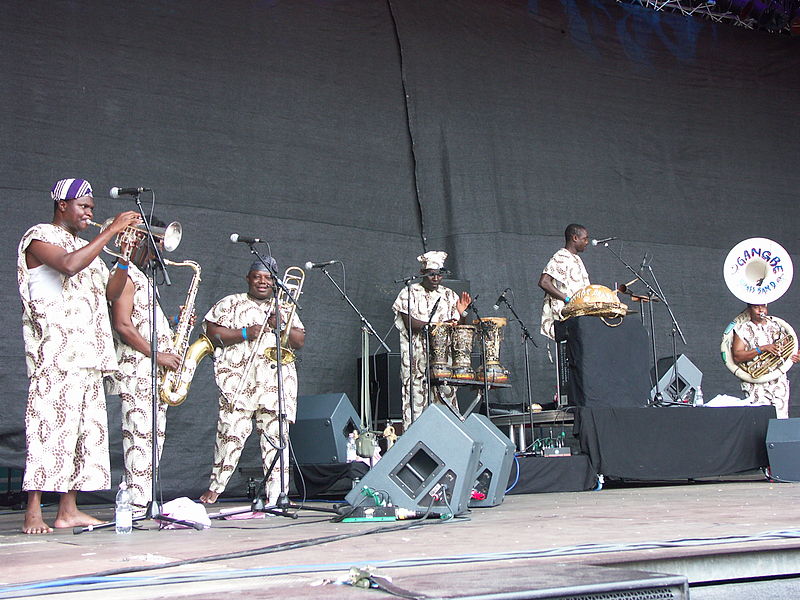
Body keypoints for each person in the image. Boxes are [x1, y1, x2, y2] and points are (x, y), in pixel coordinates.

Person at [17, 178, 141, 534]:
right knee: (48, 429)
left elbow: (111, 292)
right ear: (63, 205)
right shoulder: (39, 236)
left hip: (88, 355)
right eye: (84, 206)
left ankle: (67, 510)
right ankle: (34, 510)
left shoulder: (85, 245)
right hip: (56, 353)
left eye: (92, 209)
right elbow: (69, 266)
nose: (90, 213)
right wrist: (111, 231)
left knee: (83, 435)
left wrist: (125, 259)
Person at [199, 258, 305, 505]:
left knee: (277, 440)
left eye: (268, 278)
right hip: (238, 382)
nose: (262, 282)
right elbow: (211, 333)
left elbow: (299, 341)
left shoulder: (285, 308)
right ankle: (216, 488)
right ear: (248, 278)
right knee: (229, 435)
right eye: (257, 276)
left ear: (276, 282)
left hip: (275, 383)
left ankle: (277, 495)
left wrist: (281, 326)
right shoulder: (231, 302)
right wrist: (245, 333)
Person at [107, 219, 183, 514]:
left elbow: (141, 323)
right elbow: (123, 326)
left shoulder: (142, 278)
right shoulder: (124, 275)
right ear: (138, 242)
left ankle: (139, 500)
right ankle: (135, 504)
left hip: (150, 373)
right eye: (153, 249)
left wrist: (175, 325)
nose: (156, 257)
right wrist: (158, 355)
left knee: (152, 440)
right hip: (137, 371)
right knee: (139, 439)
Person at [392, 251, 471, 429]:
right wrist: (437, 325)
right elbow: (410, 323)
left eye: (439, 274)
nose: (436, 278)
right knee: (416, 405)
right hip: (417, 359)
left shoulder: (449, 295)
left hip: (443, 362)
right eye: (432, 274)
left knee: (446, 402)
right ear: (422, 273)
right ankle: (415, 446)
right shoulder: (408, 292)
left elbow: (457, 327)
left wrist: (461, 313)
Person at [731, 303, 800, 419]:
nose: (760, 310)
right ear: (749, 309)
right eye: (756, 307)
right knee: (759, 423)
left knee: (781, 422)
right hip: (756, 384)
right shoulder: (743, 329)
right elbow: (737, 356)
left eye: (763, 306)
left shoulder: (777, 326)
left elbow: (789, 346)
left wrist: (795, 355)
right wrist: (762, 348)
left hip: (778, 383)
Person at [538, 223, 591, 340]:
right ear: (575, 238)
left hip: (578, 315)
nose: (587, 242)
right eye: (585, 239)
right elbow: (544, 282)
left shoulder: (576, 258)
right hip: (567, 318)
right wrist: (567, 299)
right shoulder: (561, 257)